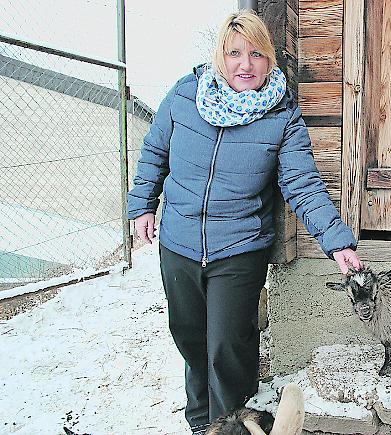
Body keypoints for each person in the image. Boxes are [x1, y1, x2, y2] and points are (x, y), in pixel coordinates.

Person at [127, 10, 361, 435]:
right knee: (190, 338)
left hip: (238, 248)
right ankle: (202, 425)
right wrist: (142, 204)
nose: (245, 64)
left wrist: (336, 240)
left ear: (269, 59)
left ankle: (231, 424)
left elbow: (303, 184)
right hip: (178, 243)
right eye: (235, 53)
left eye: (256, 54)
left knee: (226, 348)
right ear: (221, 56)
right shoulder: (185, 95)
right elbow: (154, 152)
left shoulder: (281, 117)